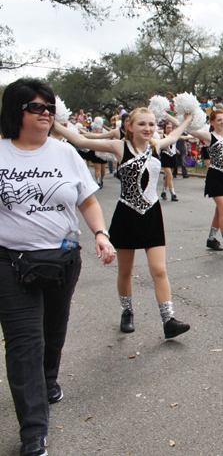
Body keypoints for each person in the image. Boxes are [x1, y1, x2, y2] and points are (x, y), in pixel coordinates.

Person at [1, 79, 115, 456]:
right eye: (37, 107)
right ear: (16, 111)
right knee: (23, 344)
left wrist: (100, 232)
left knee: (53, 329)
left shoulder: (65, 153)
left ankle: (49, 379)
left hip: (62, 259)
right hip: (9, 263)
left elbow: (87, 200)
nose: (46, 114)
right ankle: (34, 431)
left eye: (49, 107)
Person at [55, 108, 195, 340]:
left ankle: (168, 320)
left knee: (159, 270)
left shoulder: (156, 145)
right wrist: (55, 123)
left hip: (151, 214)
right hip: (126, 215)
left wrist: (188, 119)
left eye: (151, 124)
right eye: (141, 124)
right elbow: (80, 139)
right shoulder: (119, 147)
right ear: (130, 126)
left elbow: (175, 135)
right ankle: (127, 311)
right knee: (126, 271)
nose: (148, 128)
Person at [170, 107, 223, 257]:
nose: (222, 122)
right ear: (211, 122)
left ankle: (211, 238)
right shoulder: (209, 136)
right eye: (219, 120)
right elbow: (188, 129)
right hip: (216, 176)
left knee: (220, 210)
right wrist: (171, 116)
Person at [159, 121, 180, 201]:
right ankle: (173, 194)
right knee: (169, 175)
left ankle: (163, 191)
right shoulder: (163, 137)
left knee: (168, 176)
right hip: (165, 156)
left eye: (171, 127)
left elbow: (182, 138)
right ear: (164, 129)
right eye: (168, 128)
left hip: (173, 156)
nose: (170, 129)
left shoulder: (174, 136)